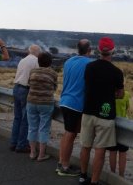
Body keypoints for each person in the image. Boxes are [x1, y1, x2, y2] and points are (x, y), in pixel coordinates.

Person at [79, 37, 124, 185]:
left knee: (86, 146)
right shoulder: (117, 72)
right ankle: (94, 181)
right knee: (100, 149)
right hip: (106, 114)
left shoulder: (90, 67)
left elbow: (87, 85)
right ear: (112, 51)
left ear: (99, 50)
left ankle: (82, 175)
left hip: (88, 111)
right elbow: (120, 94)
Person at [57, 39, 92, 176]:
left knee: (67, 133)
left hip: (64, 100)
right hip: (76, 104)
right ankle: (64, 167)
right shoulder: (89, 64)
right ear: (89, 50)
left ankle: (61, 162)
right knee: (70, 134)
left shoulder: (68, 61)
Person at [26, 52, 58, 162]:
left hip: (31, 101)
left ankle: (32, 152)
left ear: (38, 61)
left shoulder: (33, 71)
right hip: (46, 103)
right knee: (44, 129)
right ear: (50, 62)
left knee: (32, 127)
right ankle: (41, 155)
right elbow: (54, 87)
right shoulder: (53, 73)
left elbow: (29, 83)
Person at [10, 44, 41, 153]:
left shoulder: (22, 60)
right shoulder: (36, 61)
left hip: (16, 88)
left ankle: (13, 143)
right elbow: (38, 77)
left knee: (17, 117)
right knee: (25, 119)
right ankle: (21, 145)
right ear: (37, 52)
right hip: (25, 90)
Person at [107, 90, 131, 177]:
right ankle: (121, 175)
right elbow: (127, 107)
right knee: (123, 151)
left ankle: (113, 174)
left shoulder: (109, 93)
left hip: (111, 123)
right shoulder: (126, 94)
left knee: (112, 151)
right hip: (123, 125)